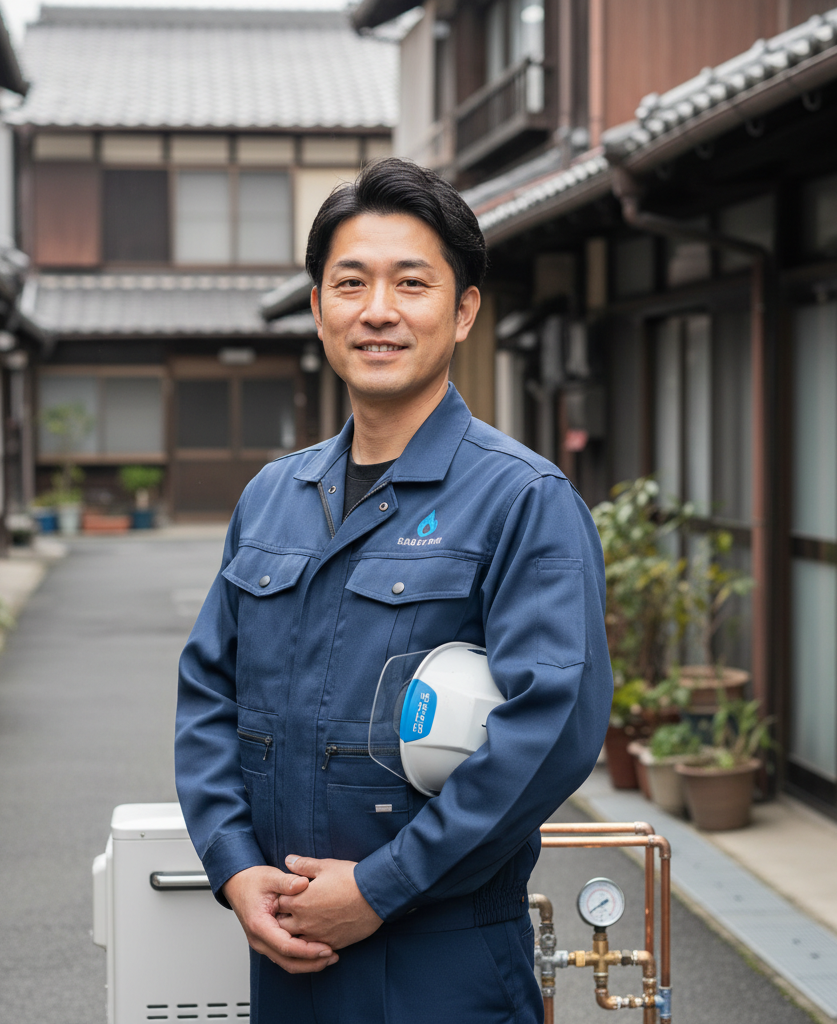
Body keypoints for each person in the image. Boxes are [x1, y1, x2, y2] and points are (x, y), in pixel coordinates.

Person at [175, 157, 612, 1023]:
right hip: (289, 950)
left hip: (443, 958)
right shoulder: (273, 497)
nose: (378, 310)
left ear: (462, 311)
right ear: (317, 307)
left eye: (411, 283)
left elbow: (553, 724)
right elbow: (207, 695)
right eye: (351, 283)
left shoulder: (522, 500)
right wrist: (233, 866)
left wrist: (383, 886)